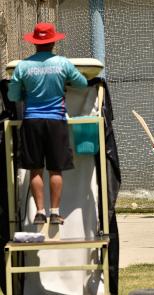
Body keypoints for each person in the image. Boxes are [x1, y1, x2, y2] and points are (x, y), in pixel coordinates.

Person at [7, 22, 92, 225]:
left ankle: (39, 212)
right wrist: (64, 82)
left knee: (35, 169)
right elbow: (82, 84)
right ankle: (55, 212)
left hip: (31, 121)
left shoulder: (24, 66)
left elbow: (12, 94)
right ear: (53, 41)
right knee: (56, 169)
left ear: (34, 43)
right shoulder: (62, 64)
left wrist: (26, 90)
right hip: (56, 121)